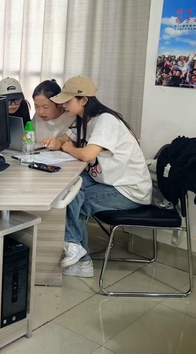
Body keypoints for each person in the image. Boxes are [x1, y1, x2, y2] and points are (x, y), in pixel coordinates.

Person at [42, 76, 152, 278]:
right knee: (69, 187)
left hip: (129, 190)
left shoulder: (105, 121)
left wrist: (68, 148)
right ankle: (75, 249)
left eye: (67, 101)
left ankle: (79, 255)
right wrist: (54, 142)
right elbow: (63, 141)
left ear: (84, 100)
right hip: (107, 181)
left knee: (73, 199)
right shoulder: (83, 119)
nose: (63, 105)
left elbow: (87, 154)